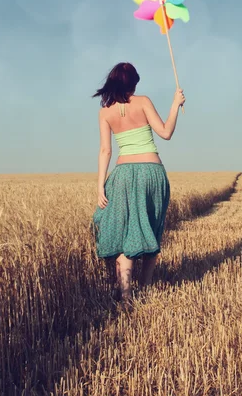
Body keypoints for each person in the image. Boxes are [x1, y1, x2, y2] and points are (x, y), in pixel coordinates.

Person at [91, 62, 186, 304]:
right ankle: (145, 289)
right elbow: (165, 132)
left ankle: (125, 296)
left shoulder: (105, 112)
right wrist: (175, 104)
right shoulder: (143, 102)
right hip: (151, 172)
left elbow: (105, 151)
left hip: (122, 175)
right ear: (133, 83)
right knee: (152, 228)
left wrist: (100, 184)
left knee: (125, 231)